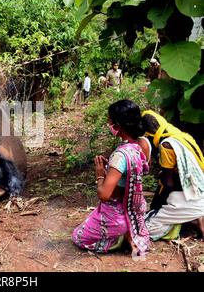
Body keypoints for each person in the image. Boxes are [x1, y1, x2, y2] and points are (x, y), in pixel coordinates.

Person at [72, 100, 151, 257]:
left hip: (117, 216)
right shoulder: (144, 144)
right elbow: (134, 173)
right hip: (135, 211)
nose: (108, 123)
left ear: (117, 125)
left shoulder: (120, 156)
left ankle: (116, 238)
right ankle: (130, 233)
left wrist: (101, 173)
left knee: (78, 236)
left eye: (109, 120)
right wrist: (114, 170)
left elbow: (104, 194)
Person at [142, 110, 204, 241]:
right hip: (199, 188)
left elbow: (168, 183)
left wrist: (156, 207)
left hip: (191, 195)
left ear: (149, 135)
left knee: (145, 228)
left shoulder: (166, 145)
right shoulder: (180, 135)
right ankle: (194, 218)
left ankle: (192, 216)